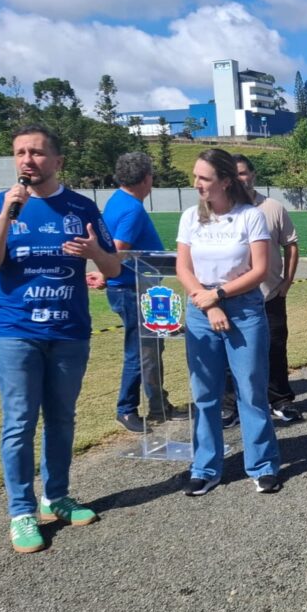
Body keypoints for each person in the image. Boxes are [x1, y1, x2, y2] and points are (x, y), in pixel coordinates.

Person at [0, 125, 120, 553]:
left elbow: (112, 269)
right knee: (19, 423)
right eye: (20, 152)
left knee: (61, 418)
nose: (27, 160)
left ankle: (55, 496)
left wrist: (94, 253)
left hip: (69, 332)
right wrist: (6, 215)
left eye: (36, 153)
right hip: (17, 333)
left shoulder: (81, 207)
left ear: (57, 161)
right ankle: (21, 512)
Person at [175, 149, 282, 496]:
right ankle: (205, 466)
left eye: (204, 178)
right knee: (205, 393)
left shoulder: (250, 217)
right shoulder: (191, 217)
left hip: (244, 310)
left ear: (224, 181)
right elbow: (183, 269)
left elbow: (259, 270)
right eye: (195, 177)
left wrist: (218, 296)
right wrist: (207, 304)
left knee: (251, 390)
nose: (197, 184)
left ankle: (263, 464)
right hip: (201, 310)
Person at [86, 152, 183, 433]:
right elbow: (119, 248)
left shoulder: (117, 201)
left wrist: (105, 274)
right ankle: (126, 408)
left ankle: (158, 404)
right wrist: (106, 273)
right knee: (141, 350)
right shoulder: (132, 209)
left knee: (151, 348)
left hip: (136, 287)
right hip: (132, 289)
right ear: (146, 179)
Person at [220, 154, 300, 425]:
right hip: (232, 296)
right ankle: (231, 406)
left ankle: (280, 400)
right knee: (232, 350)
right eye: (234, 174)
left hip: (270, 294)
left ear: (252, 174)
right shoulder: (222, 211)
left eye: (243, 173)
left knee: (275, 349)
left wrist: (287, 282)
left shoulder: (273, 208)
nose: (240, 179)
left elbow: (291, 244)